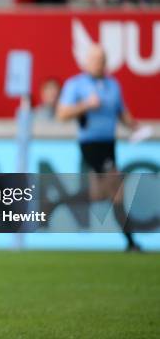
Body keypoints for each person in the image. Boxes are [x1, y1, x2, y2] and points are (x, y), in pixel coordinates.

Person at [57, 44, 141, 252]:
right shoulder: (76, 84)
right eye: (95, 59)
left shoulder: (113, 85)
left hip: (109, 143)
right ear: (86, 62)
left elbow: (122, 111)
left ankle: (56, 203)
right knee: (116, 190)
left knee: (98, 194)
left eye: (102, 59)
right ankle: (130, 241)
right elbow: (62, 114)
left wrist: (133, 125)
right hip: (91, 143)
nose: (99, 63)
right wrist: (86, 105)